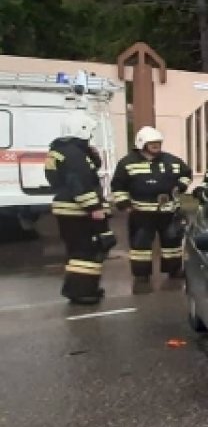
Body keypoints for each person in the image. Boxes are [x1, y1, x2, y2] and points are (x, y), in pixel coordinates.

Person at [110, 126, 193, 290]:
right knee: (140, 245)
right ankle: (142, 274)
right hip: (141, 212)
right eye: (152, 143)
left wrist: (180, 186)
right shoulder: (127, 163)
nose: (156, 146)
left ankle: (174, 270)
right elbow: (118, 186)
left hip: (168, 210)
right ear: (141, 144)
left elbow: (186, 173)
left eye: (158, 143)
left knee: (172, 243)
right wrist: (125, 205)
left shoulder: (171, 160)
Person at [46, 111, 115, 305]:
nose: (91, 136)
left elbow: (81, 174)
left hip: (67, 208)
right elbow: (80, 182)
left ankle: (81, 288)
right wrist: (94, 207)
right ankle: (82, 292)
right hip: (79, 210)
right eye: (90, 132)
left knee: (78, 252)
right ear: (82, 130)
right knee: (87, 251)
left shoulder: (61, 151)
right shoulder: (74, 154)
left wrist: (93, 156)